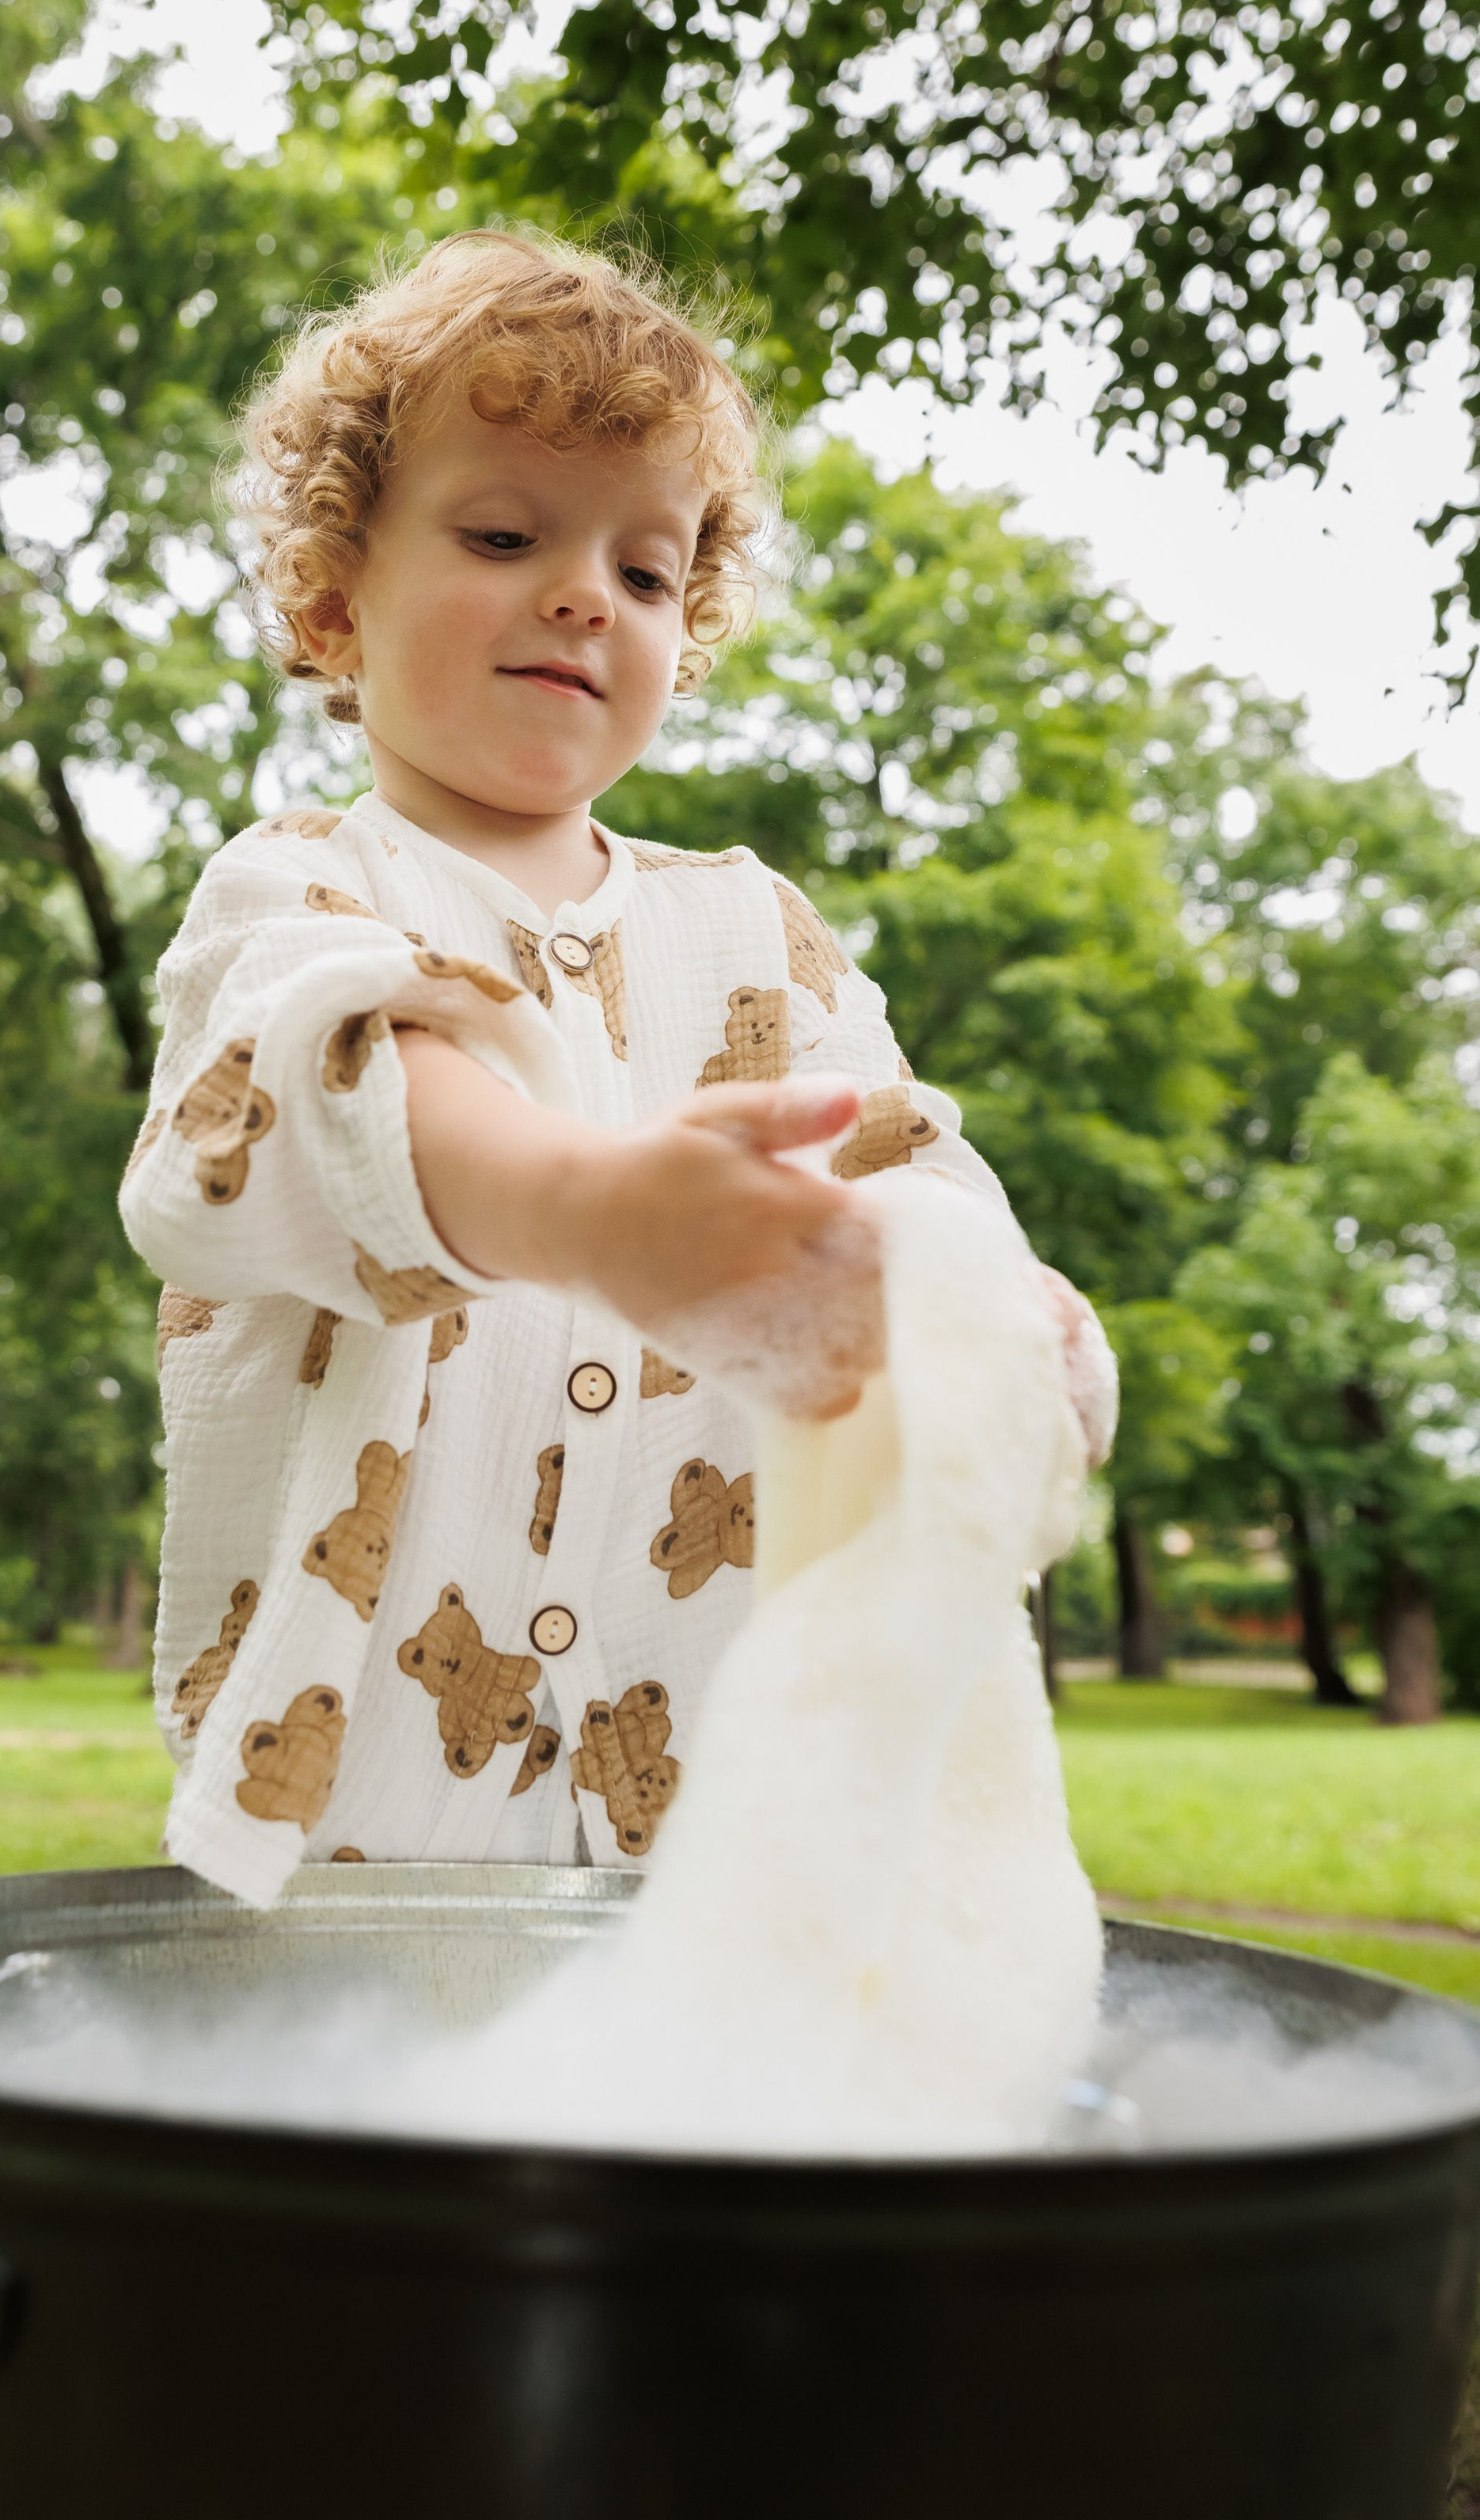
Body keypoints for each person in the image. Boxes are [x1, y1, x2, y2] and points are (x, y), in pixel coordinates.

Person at [120, 230, 1110, 1907]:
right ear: (335, 594)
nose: (585, 593)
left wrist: (1001, 1321)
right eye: (505, 536)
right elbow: (306, 1103)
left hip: (725, 1819)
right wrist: (586, 1208)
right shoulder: (295, 892)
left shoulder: (754, 933)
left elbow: (906, 1170)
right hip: (361, 1814)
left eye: (645, 573)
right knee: (374, 2085)